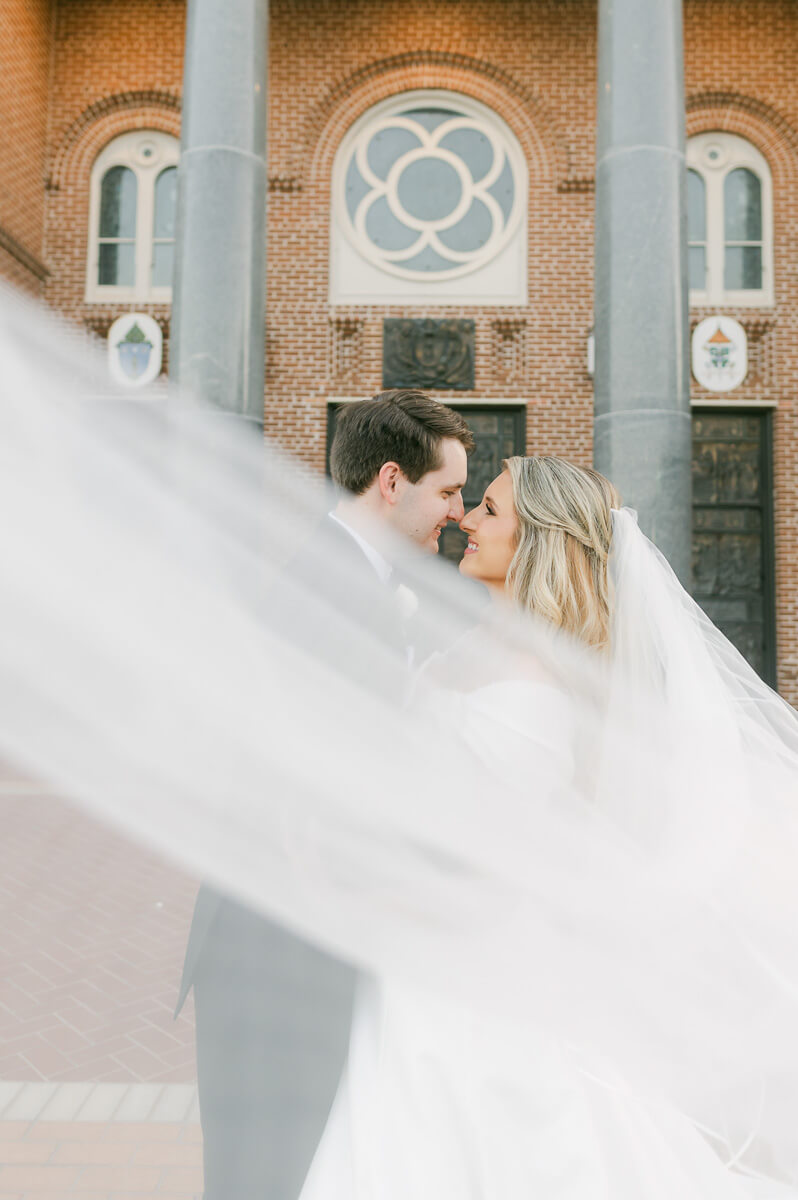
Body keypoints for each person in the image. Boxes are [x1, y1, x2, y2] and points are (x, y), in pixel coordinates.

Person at [297, 455, 796, 1200]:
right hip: (423, 971)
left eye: (490, 511)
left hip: (465, 990)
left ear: (538, 543)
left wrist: (338, 887)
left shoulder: (533, 693)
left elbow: (491, 874)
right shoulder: (477, 648)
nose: (466, 518)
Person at [175, 388, 474, 1200]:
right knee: (264, 1175)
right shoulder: (329, 588)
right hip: (280, 942)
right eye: (448, 491)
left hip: (309, 924)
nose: (457, 512)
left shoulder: (357, 578)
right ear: (390, 480)